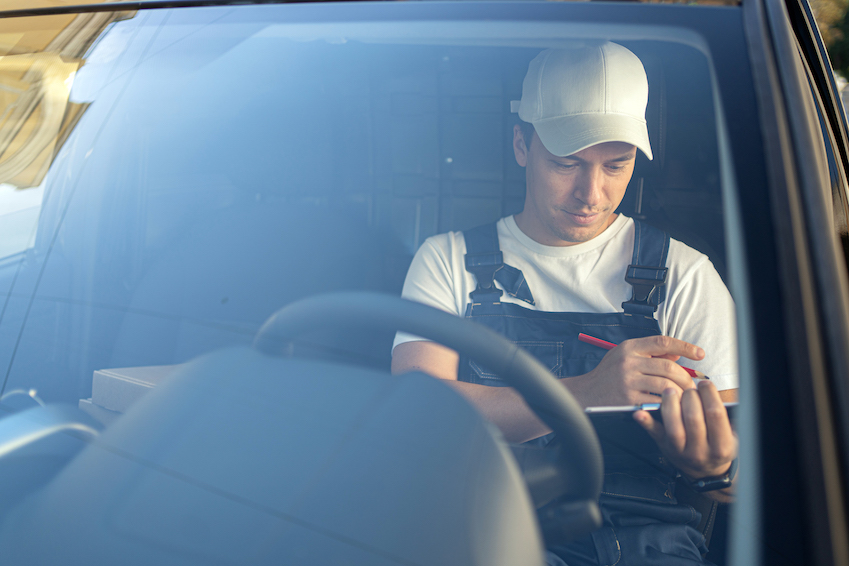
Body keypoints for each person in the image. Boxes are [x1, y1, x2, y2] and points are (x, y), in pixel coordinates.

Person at [391, 42, 738, 566]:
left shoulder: (685, 274)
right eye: (566, 163)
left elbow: (733, 485)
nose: (591, 193)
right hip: (480, 531)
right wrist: (587, 391)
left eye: (616, 166)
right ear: (521, 144)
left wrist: (714, 468)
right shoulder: (448, 260)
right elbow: (419, 417)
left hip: (644, 546)